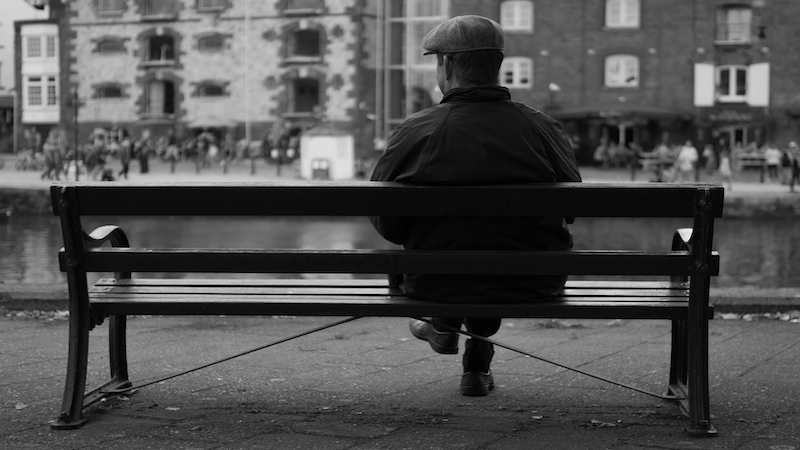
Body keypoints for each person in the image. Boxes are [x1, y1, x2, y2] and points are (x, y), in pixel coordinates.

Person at [369, 15, 581, 397]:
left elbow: (389, 223)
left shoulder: (418, 129)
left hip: (434, 281)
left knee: (450, 251)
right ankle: (476, 359)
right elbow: (572, 207)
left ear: (447, 65)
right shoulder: (542, 127)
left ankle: (444, 323)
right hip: (533, 281)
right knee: (502, 245)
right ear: (496, 66)